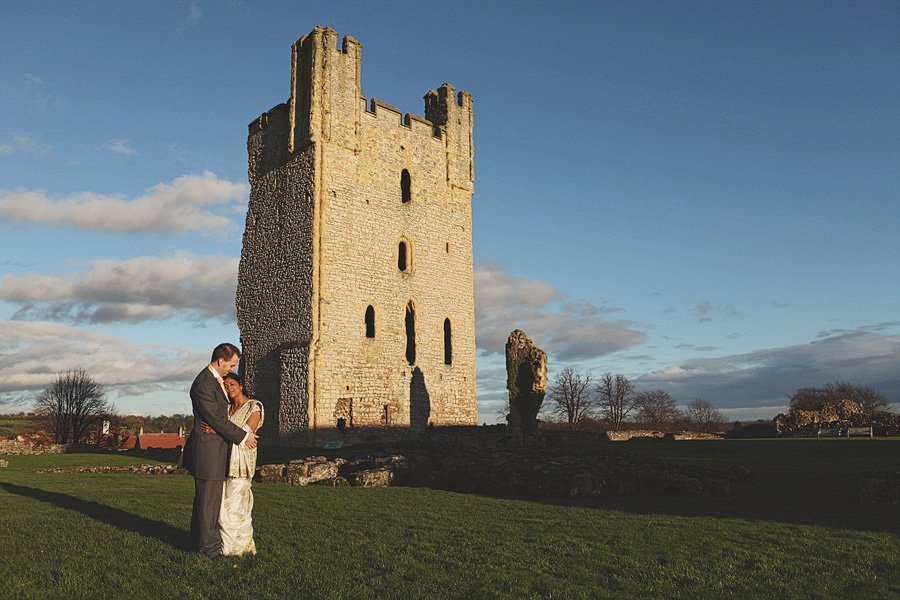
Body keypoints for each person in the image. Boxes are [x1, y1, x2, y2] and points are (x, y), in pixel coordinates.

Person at [183, 343, 258, 557]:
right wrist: (244, 436)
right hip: (208, 453)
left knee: (207, 501)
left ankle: (197, 542)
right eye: (231, 364)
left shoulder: (213, 381)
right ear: (220, 361)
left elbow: (219, 420)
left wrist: (219, 426)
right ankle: (209, 550)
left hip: (215, 450)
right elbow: (216, 418)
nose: (231, 369)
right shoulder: (203, 384)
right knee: (208, 503)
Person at [202, 372, 263, 555]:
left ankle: (241, 548)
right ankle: (225, 546)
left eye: (232, 384)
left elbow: (246, 433)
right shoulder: (226, 410)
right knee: (222, 505)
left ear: (241, 385)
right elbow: (233, 432)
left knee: (235, 504)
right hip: (223, 460)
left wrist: (217, 430)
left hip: (242, 463)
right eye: (226, 387)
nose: (230, 389)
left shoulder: (254, 407)